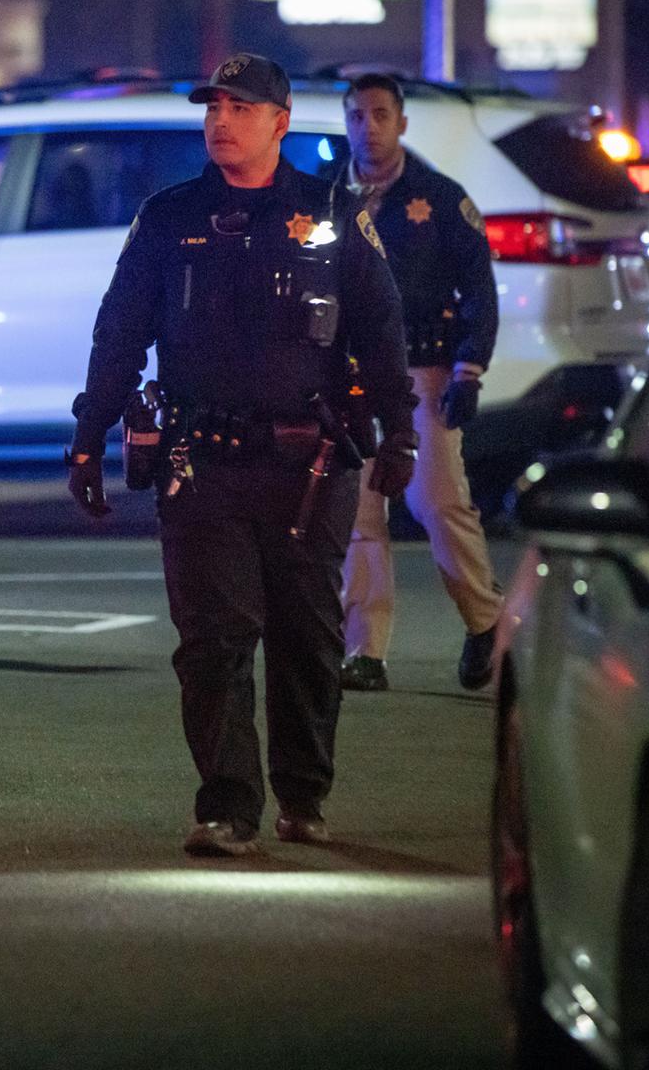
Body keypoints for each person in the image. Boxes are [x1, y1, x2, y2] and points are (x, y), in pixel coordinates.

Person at [68, 53, 417, 858]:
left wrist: (398, 432)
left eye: (240, 108)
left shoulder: (332, 213)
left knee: (306, 635)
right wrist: (91, 436)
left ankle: (303, 794)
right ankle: (227, 805)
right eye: (213, 107)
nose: (220, 121)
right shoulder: (170, 216)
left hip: (309, 464)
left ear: (280, 122)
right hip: (202, 462)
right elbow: (120, 333)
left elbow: (381, 330)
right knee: (214, 639)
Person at [337, 73, 503, 694]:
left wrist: (469, 369)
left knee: (434, 500)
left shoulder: (439, 199)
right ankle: (366, 650)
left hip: (422, 371)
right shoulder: (329, 198)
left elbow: (479, 291)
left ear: (402, 123)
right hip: (351, 377)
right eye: (357, 116)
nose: (368, 128)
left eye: (381, 115)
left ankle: (484, 619)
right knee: (358, 510)